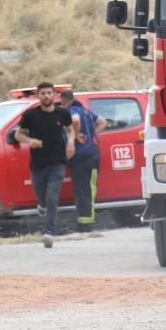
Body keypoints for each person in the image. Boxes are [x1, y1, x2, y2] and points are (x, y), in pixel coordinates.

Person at [15, 82, 74, 247]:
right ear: (38, 96)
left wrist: (71, 142)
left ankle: (49, 232)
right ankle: (41, 205)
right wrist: (30, 141)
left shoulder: (62, 113)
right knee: (42, 197)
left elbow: (70, 129)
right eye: (43, 93)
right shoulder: (31, 115)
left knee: (52, 197)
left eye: (49, 93)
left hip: (58, 162)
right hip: (38, 164)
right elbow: (18, 135)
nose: (46, 96)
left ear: (54, 95)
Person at [58, 89, 106, 231]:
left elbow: (75, 120)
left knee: (83, 189)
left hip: (82, 156)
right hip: (92, 152)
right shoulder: (85, 110)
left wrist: (77, 135)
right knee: (89, 187)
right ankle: (86, 220)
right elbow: (103, 122)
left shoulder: (72, 110)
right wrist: (91, 135)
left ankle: (85, 223)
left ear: (64, 100)